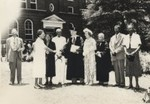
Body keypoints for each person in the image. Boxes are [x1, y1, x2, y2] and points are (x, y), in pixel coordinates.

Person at [123, 24, 142, 90]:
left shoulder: (137, 36)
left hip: (135, 52)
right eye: (129, 28)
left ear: (133, 29)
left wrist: (134, 52)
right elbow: (124, 46)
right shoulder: (126, 36)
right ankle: (130, 84)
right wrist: (126, 52)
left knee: (135, 68)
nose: (130, 30)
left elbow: (139, 45)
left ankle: (137, 84)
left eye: (131, 28)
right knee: (129, 68)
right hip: (128, 52)